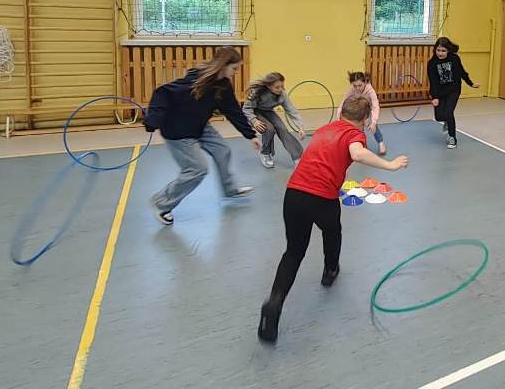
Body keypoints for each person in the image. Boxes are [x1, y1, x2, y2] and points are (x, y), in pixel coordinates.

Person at [257, 95, 409, 343]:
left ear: (341, 114)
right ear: (365, 119)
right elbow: (357, 154)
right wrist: (390, 165)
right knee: (332, 230)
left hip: (293, 193)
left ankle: (274, 302)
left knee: (293, 252)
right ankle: (330, 270)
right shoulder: (355, 134)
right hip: (321, 197)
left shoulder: (325, 129)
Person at [144, 47, 260, 225]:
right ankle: (161, 203)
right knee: (197, 170)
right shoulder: (194, 80)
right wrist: (153, 119)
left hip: (200, 126)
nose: (236, 72)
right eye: (234, 68)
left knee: (222, 150)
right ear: (223, 65)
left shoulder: (223, 85)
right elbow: (162, 92)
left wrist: (250, 135)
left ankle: (230, 190)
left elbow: (233, 111)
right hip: (178, 131)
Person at [243, 72, 305, 168]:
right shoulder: (257, 92)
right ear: (268, 86)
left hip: (268, 111)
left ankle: (297, 157)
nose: (280, 89)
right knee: (269, 129)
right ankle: (265, 153)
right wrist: (254, 120)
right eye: (277, 87)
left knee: (282, 128)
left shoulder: (282, 95)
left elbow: (292, 110)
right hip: (254, 112)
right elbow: (246, 108)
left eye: (282, 86)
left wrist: (300, 127)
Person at [427, 36, 479, 149]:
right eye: (438, 50)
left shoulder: (454, 59)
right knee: (439, 117)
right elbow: (433, 81)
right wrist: (435, 97)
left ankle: (452, 137)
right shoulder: (432, 63)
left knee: (449, 112)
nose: (440, 53)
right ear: (435, 50)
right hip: (440, 92)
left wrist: (470, 83)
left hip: (453, 90)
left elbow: (462, 72)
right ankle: (446, 121)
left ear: (448, 50)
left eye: (443, 51)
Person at [339, 71, 386, 155]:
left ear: (365, 82)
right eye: (355, 86)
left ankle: (380, 142)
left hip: (369, 109)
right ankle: (362, 144)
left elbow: (375, 106)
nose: (357, 88)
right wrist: (339, 114)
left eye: (360, 85)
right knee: (358, 127)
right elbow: (344, 101)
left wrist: (374, 122)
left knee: (373, 126)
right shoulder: (352, 89)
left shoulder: (370, 91)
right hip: (358, 109)